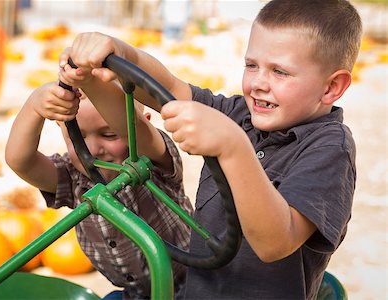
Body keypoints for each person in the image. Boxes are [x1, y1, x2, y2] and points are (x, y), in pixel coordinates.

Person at [58, 0, 361, 299]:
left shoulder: (329, 148)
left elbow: (276, 243)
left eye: (279, 72)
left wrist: (233, 148)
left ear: (331, 87)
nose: (257, 83)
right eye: (251, 65)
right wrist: (118, 56)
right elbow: (171, 89)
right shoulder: (239, 114)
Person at [5, 82, 193, 299]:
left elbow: (131, 124)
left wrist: (89, 79)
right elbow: (20, 161)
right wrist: (34, 106)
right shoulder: (73, 178)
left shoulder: (152, 163)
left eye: (110, 134)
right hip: (138, 294)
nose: (93, 150)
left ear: (144, 125)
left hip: (197, 285)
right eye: (79, 137)